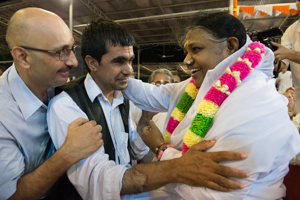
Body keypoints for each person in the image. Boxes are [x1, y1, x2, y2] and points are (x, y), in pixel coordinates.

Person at [47, 18, 250, 200]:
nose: (128, 70)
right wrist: (177, 167)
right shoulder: (68, 105)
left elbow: (133, 153)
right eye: (119, 62)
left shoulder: (124, 96)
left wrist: (144, 124)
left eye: (129, 61)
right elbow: (96, 182)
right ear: (92, 62)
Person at [123, 12, 300, 199]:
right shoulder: (203, 84)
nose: (186, 60)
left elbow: (214, 194)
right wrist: (115, 72)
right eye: (187, 52)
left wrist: (161, 149)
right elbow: (154, 95)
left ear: (230, 46)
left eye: (196, 49)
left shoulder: (257, 102)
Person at [0, 8, 103, 200]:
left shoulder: (54, 85)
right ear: (23, 57)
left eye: (71, 48)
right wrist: (68, 154)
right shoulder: (3, 116)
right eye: (60, 52)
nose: (73, 61)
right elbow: (12, 195)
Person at [271, 0, 300, 114]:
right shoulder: (292, 29)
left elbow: (287, 53)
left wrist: (289, 54)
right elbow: (282, 62)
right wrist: (266, 61)